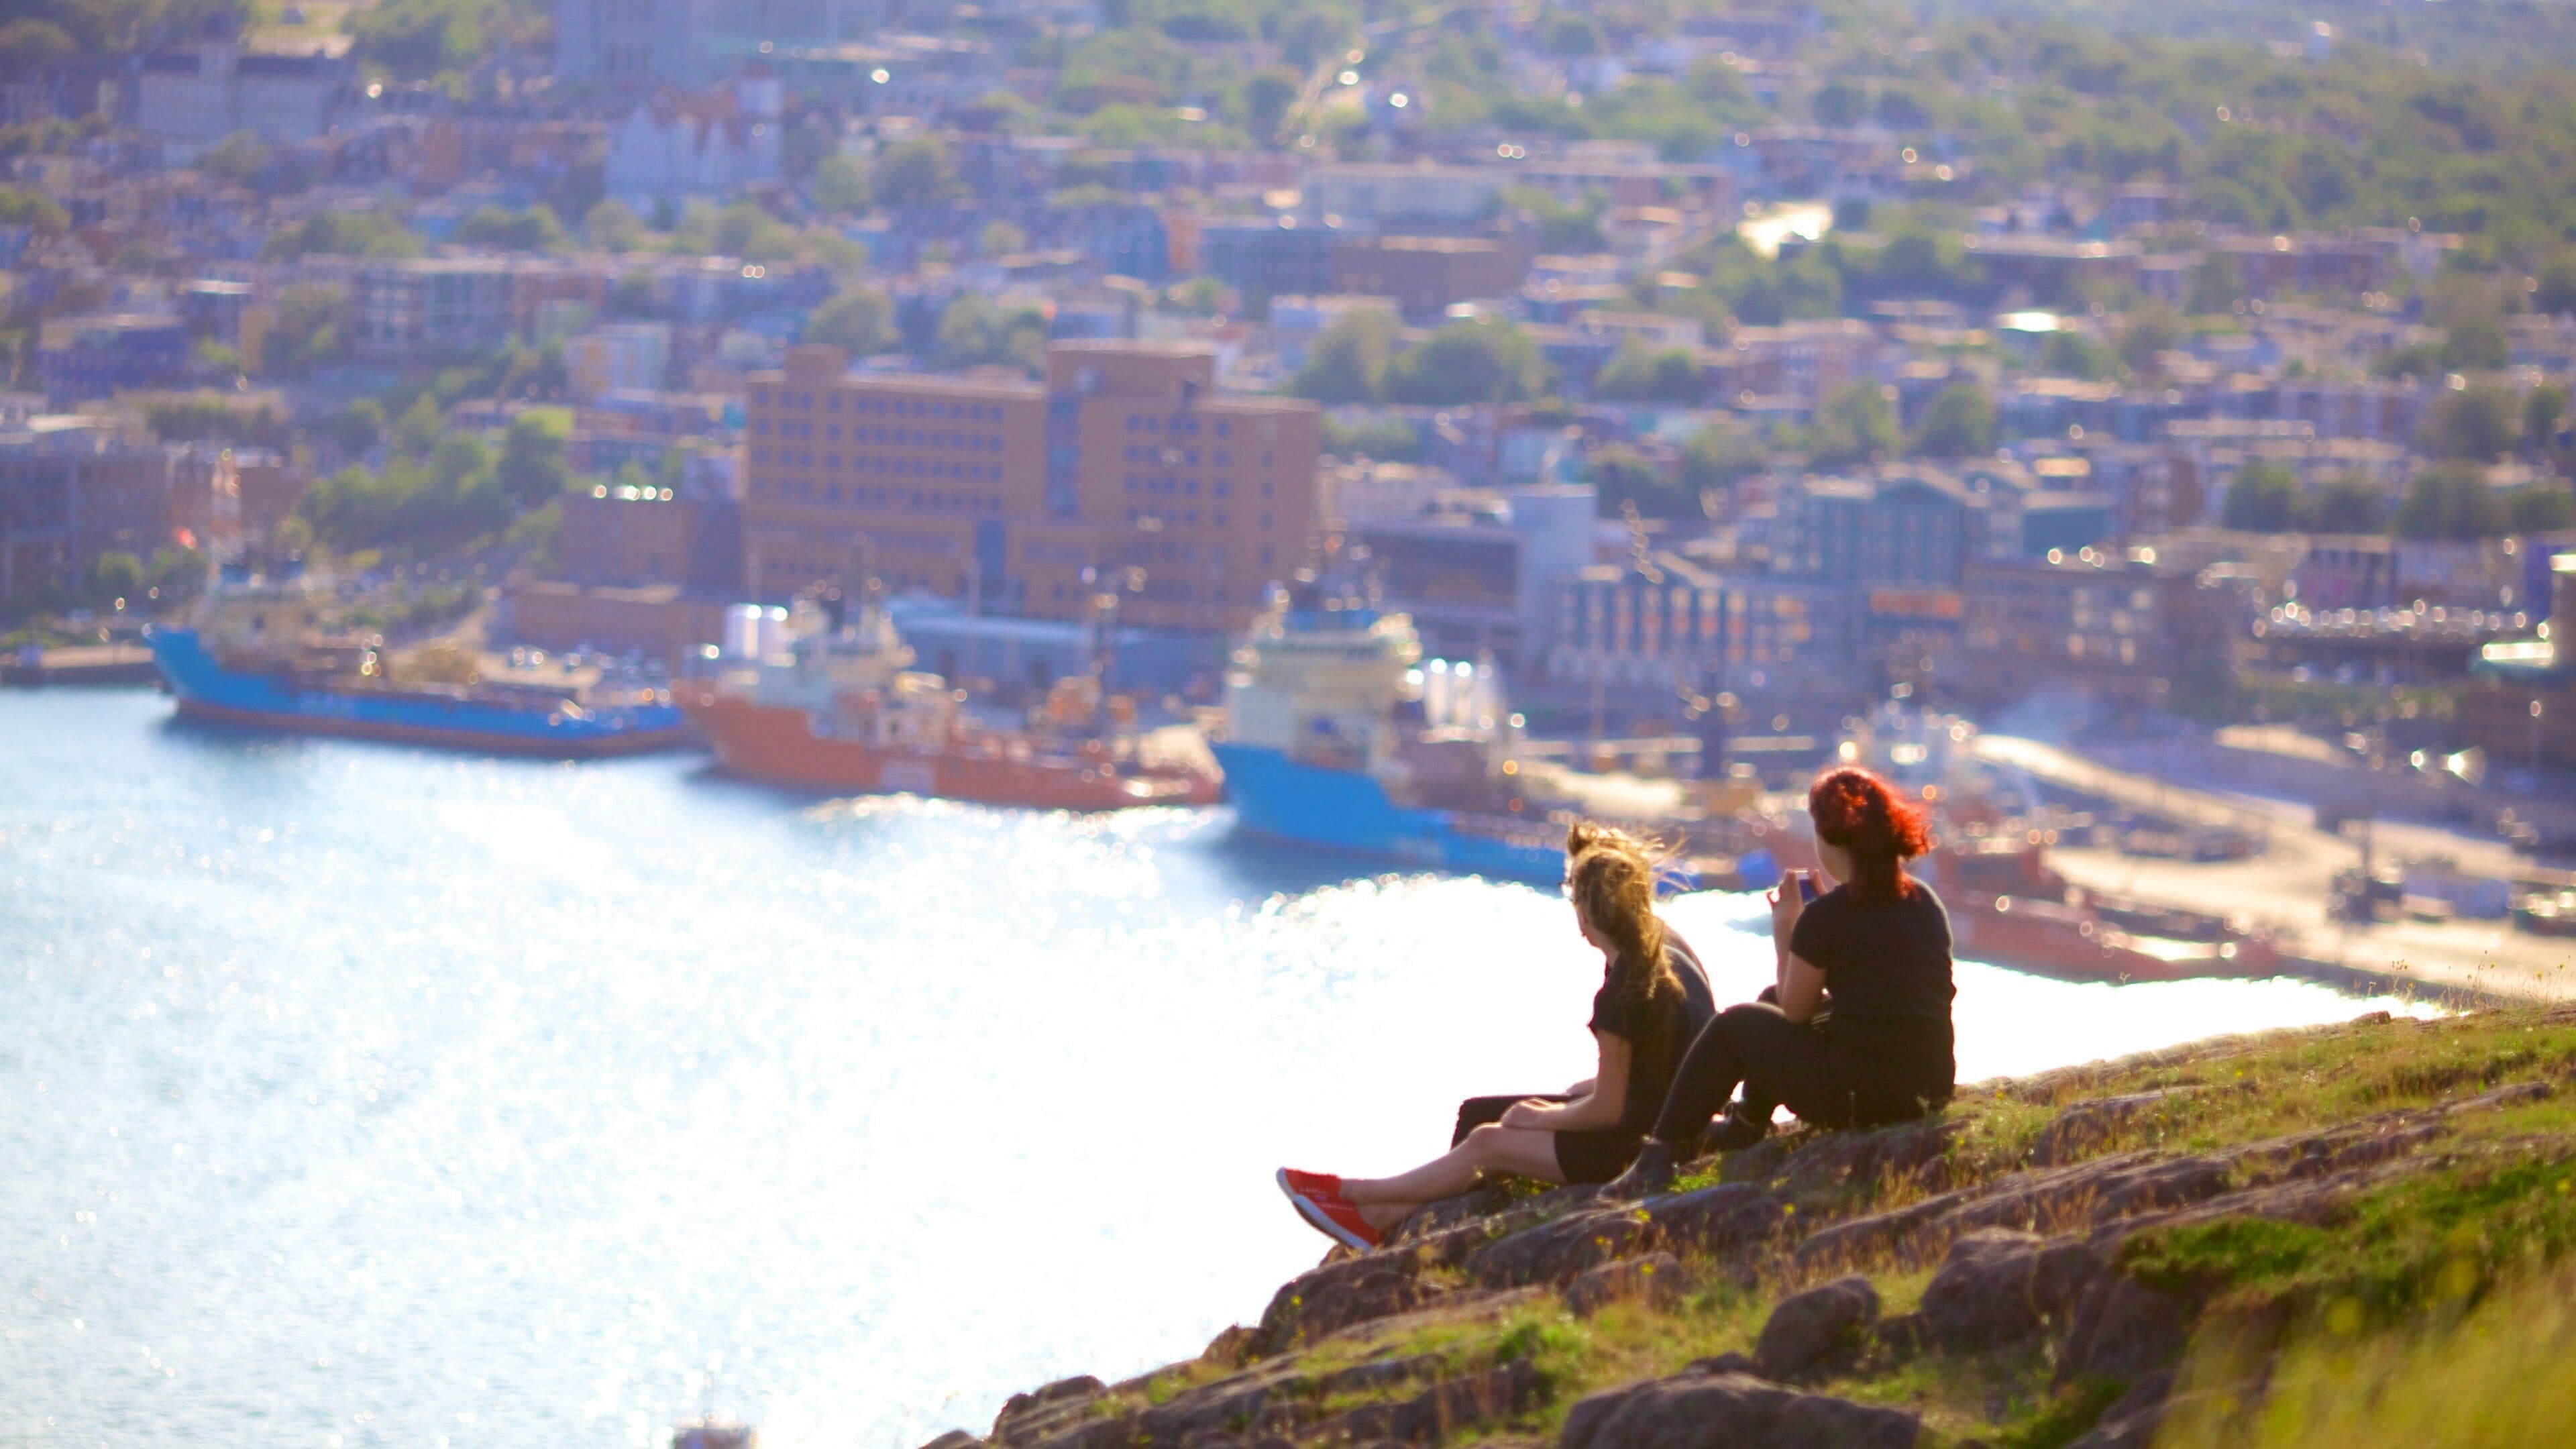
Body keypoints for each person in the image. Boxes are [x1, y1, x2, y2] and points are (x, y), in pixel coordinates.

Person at [1274, 822, 1706, 1252]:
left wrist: (1542, 1118)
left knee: (1487, 1141)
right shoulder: (1653, 957)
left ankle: (1360, 1197)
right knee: (1486, 1122)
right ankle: (1383, 1214)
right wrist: (1579, 1095)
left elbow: (1609, 1112)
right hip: (1663, 1127)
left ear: (1585, 914)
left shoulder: (1623, 992)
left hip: (1633, 1150)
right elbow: (1657, 1066)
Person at [1607, 766, 1956, 1198]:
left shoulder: (1826, 916)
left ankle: (1656, 1158)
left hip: (1860, 1097)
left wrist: (1785, 934)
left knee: (1736, 1024)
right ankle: (1746, 1124)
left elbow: (1796, 1010)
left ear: (1830, 839)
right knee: (1769, 998)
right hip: (1929, 1086)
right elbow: (1881, 987)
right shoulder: (1924, 901)